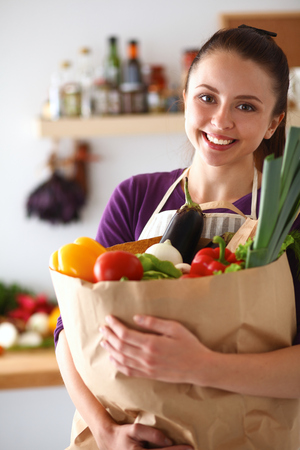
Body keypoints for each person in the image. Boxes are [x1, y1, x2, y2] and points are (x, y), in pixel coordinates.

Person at [55, 25, 300, 450]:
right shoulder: (135, 196)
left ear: (273, 122)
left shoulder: (287, 216)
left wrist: (200, 366)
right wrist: (105, 430)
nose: (221, 120)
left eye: (245, 106)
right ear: (185, 98)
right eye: (207, 97)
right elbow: (72, 327)